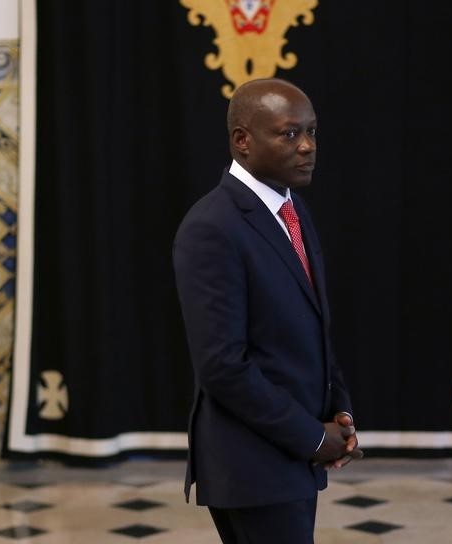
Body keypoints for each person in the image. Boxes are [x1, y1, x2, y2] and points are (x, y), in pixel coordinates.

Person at [172, 78, 362, 544]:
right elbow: (222, 365)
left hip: (292, 454)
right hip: (252, 465)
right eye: (289, 133)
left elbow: (313, 327)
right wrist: (312, 437)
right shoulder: (212, 227)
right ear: (242, 140)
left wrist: (339, 415)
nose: (307, 147)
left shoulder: (292, 209)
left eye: (312, 132)